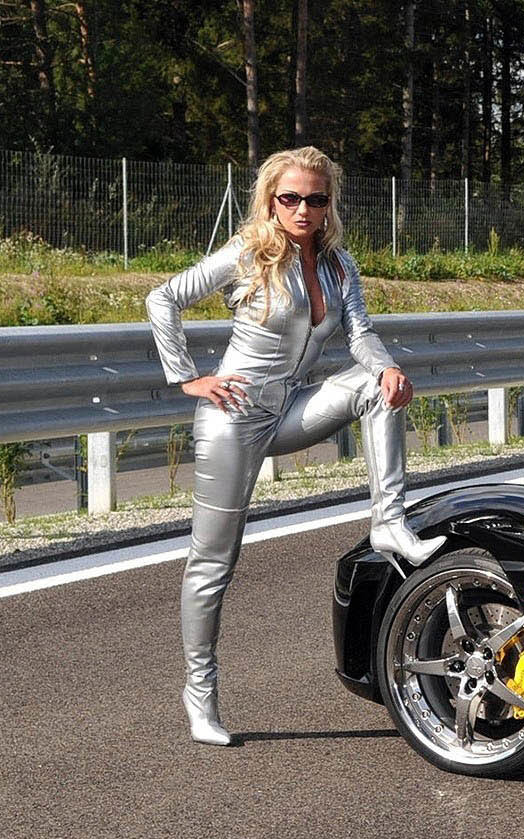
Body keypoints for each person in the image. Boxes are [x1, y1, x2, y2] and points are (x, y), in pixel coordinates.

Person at [147, 145, 445, 747]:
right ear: (270, 201)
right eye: (290, 198)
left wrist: (387, 368)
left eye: (315, 198)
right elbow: (163, 299)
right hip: (233, 417)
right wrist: (187, 377)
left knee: (375, 388)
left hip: (290, 406)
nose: (303, 209)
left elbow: (362, 335)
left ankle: (389, 522)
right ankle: (200, 693)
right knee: (214, 564)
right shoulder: (247, 255)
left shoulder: (338, 265)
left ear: (329, 203)